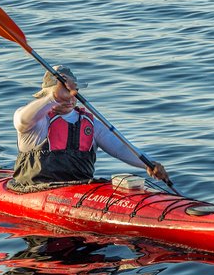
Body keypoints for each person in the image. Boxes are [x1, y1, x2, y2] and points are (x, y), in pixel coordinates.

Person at [12, 65, 169, 186]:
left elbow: (120, 149)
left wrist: (149, 164)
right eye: (62, 93)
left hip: (80, 191)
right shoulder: (36, 121)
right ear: (47, 95)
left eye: (73, 92)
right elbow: (22, 120)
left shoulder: (90, 124)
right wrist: (54, 97)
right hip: (34, 189)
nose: (69, 98)